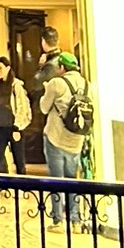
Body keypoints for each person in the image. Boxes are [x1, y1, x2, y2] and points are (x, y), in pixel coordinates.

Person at [38, 52, 93, 228]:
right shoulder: (87, 85)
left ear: (61, 67)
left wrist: (46, 91)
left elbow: (44, 107)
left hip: (56, 137)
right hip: (76, 140)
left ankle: (58, 220)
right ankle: (75, 220)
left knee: (56, 180)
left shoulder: (56, 83)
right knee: (72, 179)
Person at [0, 54, 28, 175]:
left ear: (8, 68)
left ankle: (22, 184)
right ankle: (3, 182)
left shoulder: (16, 85)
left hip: (13, 125)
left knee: (19, 159)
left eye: (0, 67)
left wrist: (17, 126)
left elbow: (22, 106)